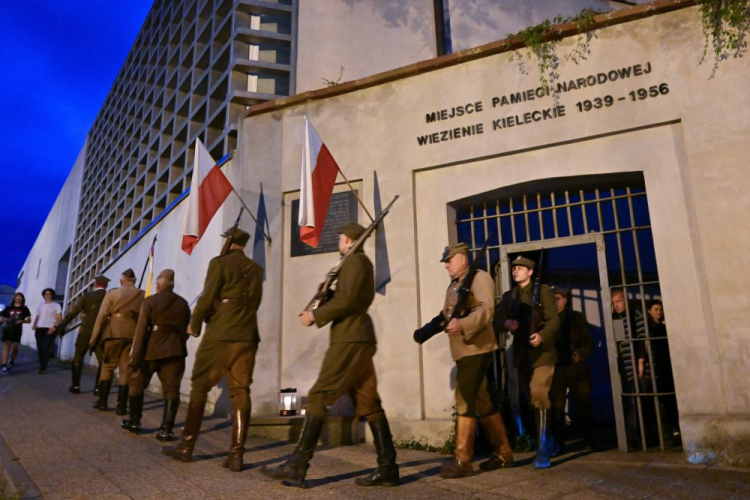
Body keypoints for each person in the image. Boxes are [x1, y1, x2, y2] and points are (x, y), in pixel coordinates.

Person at [261, 223, 399, 488]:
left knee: (319, 396)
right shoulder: (356, 263)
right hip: (358, 337)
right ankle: (388, 468)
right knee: (368, 402)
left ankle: (296, 465)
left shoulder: (355, 262)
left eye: (341, 238)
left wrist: (315, 314)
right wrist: (328, 292)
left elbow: (348, 302)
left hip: (349, 338)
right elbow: (348, 296)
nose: (339, 241)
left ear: (349, 240)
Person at [163, 228, 262, 473]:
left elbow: (207, 297)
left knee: (199, 385)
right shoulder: (256, 269)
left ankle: (186, 448)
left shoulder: (219, 263)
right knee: (241, 391)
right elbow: (255, 301)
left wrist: (195, 324)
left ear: (229, 241)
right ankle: (236, 456)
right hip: (248, 334)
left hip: (221, 333)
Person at [414, 243, 514, 479]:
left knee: (464, 399)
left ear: (462, 258)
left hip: (476, 348)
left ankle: (463, 460)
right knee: (481, 401)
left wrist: (464, 324)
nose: (446, 265)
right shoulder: (456, 285)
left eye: (449, 260)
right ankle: (504, 453)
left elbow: (486, 310)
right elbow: (447, 316)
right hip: (464, 350)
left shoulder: (479, 278)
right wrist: (424, 332)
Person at [495, 255, 560, 468]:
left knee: (539, 393)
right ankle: (549, 438)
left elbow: (554, 320)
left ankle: (542, 449)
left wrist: (542, 335)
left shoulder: (543, 291)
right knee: (533, 398)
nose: (516, 271)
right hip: (522, 355)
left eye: (521, 268)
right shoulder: (510, 296)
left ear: (530, 272)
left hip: (542, 352)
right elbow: (496, 321)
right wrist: (506, 322)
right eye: (514, 268)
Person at [122, 269, 190, 439]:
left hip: (150, 350)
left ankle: (134, 421)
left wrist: (135, 355)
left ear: (158, 285)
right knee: (172, 389)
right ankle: (166, 429)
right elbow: (186, 330)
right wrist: (178, 344)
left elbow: (141, 330)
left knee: (137, 382)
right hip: (175, 350)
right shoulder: (183, 303)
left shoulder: (150, 301)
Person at [90, 269, 144, 414]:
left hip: (114, 332)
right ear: (134, 281)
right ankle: (121, 406)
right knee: (126, 369)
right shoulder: (143, 294)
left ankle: (102, 401)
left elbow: (101, 316)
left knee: (107, 366)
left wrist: (94, 338)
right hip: (132, 334)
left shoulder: (112, 294)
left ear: (121, 281)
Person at [549, 286, 594, 452]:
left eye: (558, 298)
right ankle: (559, 444)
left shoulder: (576, 318)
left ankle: (589, 441)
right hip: (557, 366)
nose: (555, 302)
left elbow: (587, 341)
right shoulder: (548, 319)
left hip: (575, 366)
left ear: (565, 299)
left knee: (582, 404)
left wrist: (580, 354)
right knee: (557, 407)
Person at [57, 275, 110, 393]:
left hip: (86, 330)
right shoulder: (109, 297)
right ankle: (98, 388)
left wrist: (62, 326)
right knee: (102, 360)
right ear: (106, 285)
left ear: (95, 283)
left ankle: (76, 385)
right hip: (102, 331)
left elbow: (73, 313)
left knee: (78, 356)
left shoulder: (87, 296)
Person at [611, 288, 647, 449]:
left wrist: (640, 362)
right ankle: (632, 438)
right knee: (628, 401)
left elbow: (642, 339)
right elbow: (618, 342)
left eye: (618, 301)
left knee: (640, 401)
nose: (616, 305)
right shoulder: (616, 318)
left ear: (625, 300)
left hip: (638, 364)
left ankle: (643, 437)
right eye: (613, 302)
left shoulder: (636, 314)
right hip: (624, 365)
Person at [31, 288, 62, 374]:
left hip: (50, 328)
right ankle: (42, 362)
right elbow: (37, 317)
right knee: (40, 347)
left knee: (46, 347)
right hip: (39, 328)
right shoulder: (40, 305)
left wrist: (54, 327)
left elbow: (59, 318)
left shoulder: (56, 305)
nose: (47, 295)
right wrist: (34, 325)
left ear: (52, 295)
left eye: (49, 294)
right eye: (46, 294)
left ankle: (43, 367)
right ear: (44, 295)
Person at [1, 293, 32, 373]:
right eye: (16, 297)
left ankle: (11, 360)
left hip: (17, 331)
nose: (18, 298)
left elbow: (29, 320)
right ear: (14, 298)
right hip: (7, 329)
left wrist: (22, 321)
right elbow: (1, 318)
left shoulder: (24, 309)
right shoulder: (8, 308)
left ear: (22, 299)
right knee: (6, 347)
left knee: (15, 348)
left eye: (20, 297)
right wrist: (4, 320)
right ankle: (4, 366)